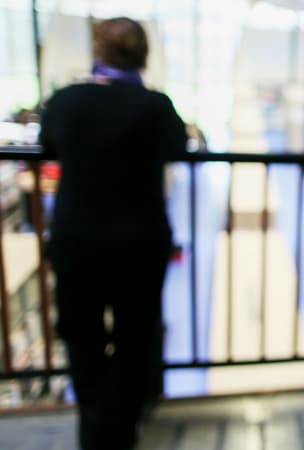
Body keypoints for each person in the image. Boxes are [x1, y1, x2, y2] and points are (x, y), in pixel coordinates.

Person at [39, 17, 187, 450]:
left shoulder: (65, 101)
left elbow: (49, 144)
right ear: (143, 56)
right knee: (135, 339)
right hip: (139, 244)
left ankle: (92, 427)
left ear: (98, 53)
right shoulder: (155, 106)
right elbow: (179, 146)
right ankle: (121, 433)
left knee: (82, 338)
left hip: (77, 242)